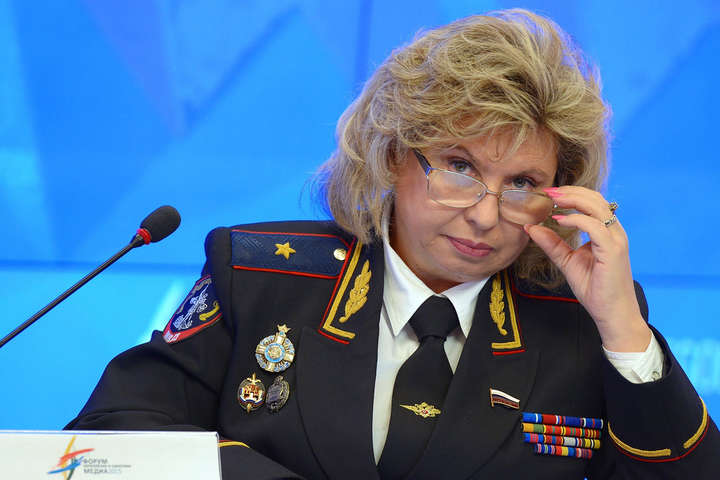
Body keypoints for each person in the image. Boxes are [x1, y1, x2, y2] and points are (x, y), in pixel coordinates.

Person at [67, 8, 719, 479]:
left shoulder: (580, 321)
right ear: (392, 155)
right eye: (459, 167)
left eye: (522, 183)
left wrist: (624, 332)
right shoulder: (260, 278)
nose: (485, 216)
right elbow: (107, 440)